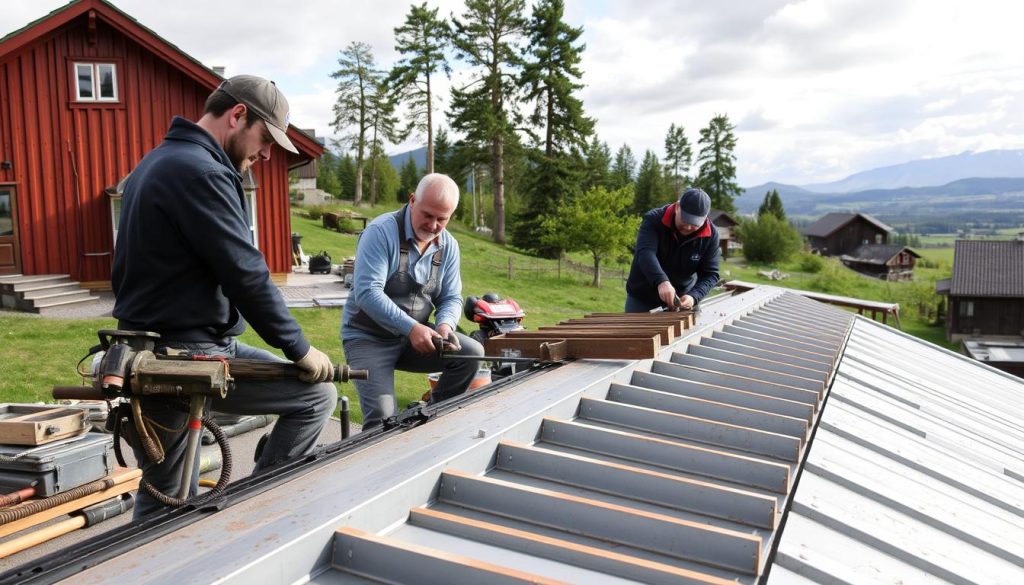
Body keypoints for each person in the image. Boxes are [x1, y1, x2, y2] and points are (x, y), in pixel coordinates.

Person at [111, 75, 337, 517]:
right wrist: (299, 347)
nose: (267, 153)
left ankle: (235, 517)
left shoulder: (158, 162)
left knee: (169, 490)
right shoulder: (202, 171)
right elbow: (245, 274)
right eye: (264, 138)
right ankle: (248, 518)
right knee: (167, 503)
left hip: (174, 342)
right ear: (237, 115)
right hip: (181, 354)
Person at [341, 173, 484, 430]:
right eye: (428, 215)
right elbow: (367, 293)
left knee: (472, 353)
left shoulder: (449, 246)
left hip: (414, 338)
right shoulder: (380, 232)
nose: (433, 225)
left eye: (442, 219)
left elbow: (451, 297)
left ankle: (431, 422)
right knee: (383, 421)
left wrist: (444, 327)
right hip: (368, 339)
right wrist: (411, 328)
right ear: (412, 200)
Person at [625, 187, 721, 313]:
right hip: (643, 296)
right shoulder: (653, 220)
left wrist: (694, 296)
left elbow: (711, 274)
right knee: (634, 332)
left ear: (705, 218)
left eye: (694, 224)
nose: (687, 227)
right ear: (677, 207)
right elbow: (645, 253)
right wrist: (662, 281)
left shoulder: (711, 235)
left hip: (681, 299)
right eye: (685, 219)